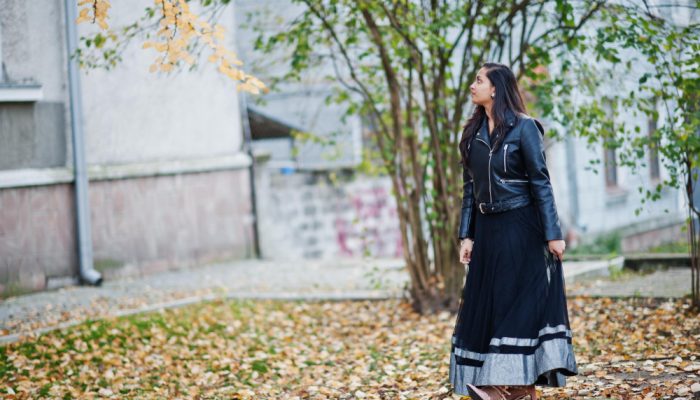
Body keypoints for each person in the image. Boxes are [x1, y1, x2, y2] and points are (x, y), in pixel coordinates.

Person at [449, 63, 578, 400]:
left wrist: (553, 233)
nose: (473, 85)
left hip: (522, 227)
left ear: (495, 88)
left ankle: (495, 385)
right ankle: (521, 391)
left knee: (519, 304)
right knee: (494, 305)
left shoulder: (525, 128)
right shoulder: (472, 135)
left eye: (479, 80)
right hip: (487, 231)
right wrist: (467, 236)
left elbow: (541, 183)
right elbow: (470, 190)